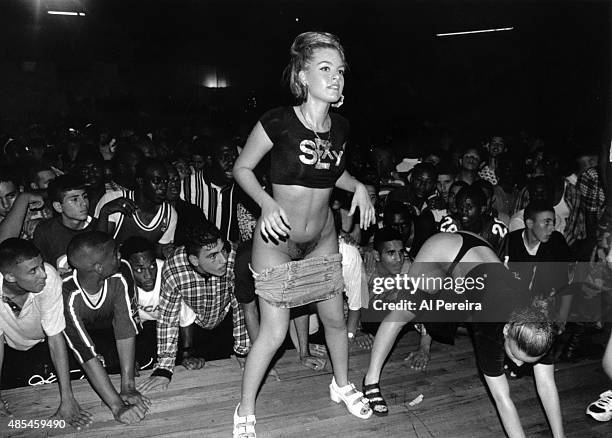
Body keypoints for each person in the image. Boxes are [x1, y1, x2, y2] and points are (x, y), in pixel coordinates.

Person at [232, 31, 375, 437]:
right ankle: (244, 408)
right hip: (277, 241)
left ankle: (342, 384)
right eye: (325, 69)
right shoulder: (277, 121)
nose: (336, 78)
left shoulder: (341, 128)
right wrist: (265, 202)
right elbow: (242, 168)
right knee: (274, 333)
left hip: (322, 239)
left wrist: (358, 186)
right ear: (302, 75)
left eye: (341, 72)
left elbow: (333, 172)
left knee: (334, 318)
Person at [363, 232, 564, 437]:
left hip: (480, 252)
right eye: (515, 356)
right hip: (445, 250)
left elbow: (547, 385)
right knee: (405, 311)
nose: (520, 366)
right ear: (506, 331)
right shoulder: (490, 326)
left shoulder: (540, 326)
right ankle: (370, 380)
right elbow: (503, 400)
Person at [136, 223, 249, 394]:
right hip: (195, 326)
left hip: (227, 319)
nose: (224, 259)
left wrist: (243, 351)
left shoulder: (234, 257)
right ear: (194, 260)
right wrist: (164, 369)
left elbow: (241, 306)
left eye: (223, 250)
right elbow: (168, 319)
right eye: (213, 256)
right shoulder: (174, 269)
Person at [0, 238, 92, 429]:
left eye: (41, 265)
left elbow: (55, 337)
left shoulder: (49, 278)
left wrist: (67, 399)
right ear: (9, 277)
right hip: (13, 349)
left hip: (45, 343)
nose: (43, 274)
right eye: (33, 271)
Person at [63, 231, 150, 424]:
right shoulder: (67, 293)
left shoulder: (122, 271)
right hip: (76, 344)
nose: (120, 255)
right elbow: (85, 354)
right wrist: (117, 405)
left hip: (109, 334)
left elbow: (125, 327)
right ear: (98, 267)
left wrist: (127, 386)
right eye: (115, 253)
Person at [120, 236, 201, 371]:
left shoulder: (170, 274)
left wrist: (187, 353)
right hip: (141, 328)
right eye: (139, 270)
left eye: (152, 266)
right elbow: (119, 324)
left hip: (172, 325)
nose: (149, 275)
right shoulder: (119, 280)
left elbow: (186, 319)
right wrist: (128, 360)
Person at [33, 174, 96, 271]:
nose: (83, 203)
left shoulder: (97, 227)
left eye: (85, 196)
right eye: (75, 199)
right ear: (58, 206)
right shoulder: (45, 232)